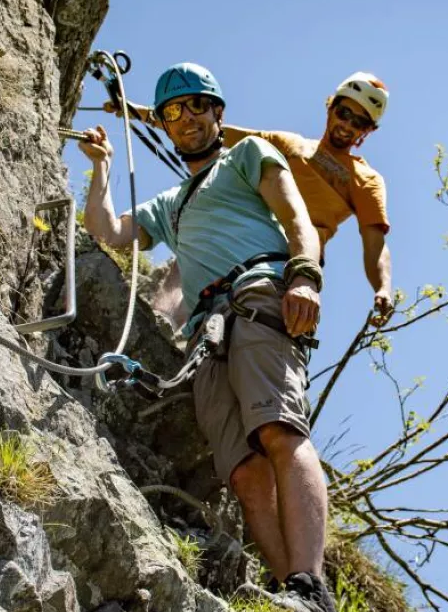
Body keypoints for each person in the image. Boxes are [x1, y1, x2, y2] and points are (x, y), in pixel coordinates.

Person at [81, 62, 336, 612]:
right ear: (165, 124)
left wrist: (304, 276)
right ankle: (289, 596)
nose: (186, 118)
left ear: (218, 112)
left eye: (197, 104)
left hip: (258, 294)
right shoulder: (169, 206)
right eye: (173, 111)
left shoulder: (248, 156)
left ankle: (311, 586)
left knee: (278, 428)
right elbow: (107, 230)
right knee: (244, 473)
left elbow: (297, 217)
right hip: (205, 330)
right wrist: (101, 167)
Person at [114, 72, 395, 327]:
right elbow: (211, 130)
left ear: (367, 130)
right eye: (344, 113)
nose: (347, 124)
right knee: (189, 259)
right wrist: (135, 112)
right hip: (242, 234)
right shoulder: (291, 144)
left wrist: (383, 287)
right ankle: (159, 331)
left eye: (359, 122)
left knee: (256, 330)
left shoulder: (366, 180)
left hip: (287, 262)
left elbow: (376, 245)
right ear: (331, 107)